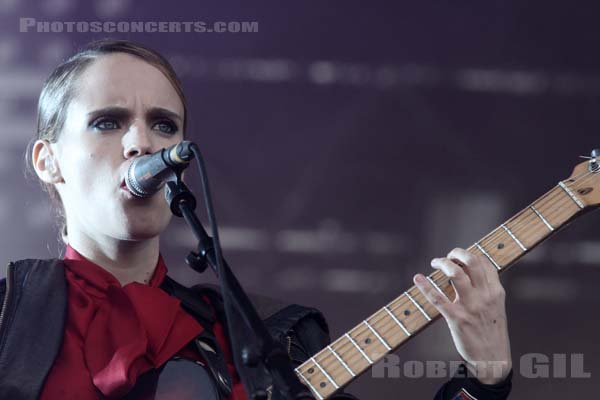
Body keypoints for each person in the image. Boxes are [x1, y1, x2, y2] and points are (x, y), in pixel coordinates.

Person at [0, 39, 512, 400]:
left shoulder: (260, 340)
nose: (143, 143)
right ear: (48, 160)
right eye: (108, 122)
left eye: (164, 125)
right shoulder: (7, 322)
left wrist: (485, 379)